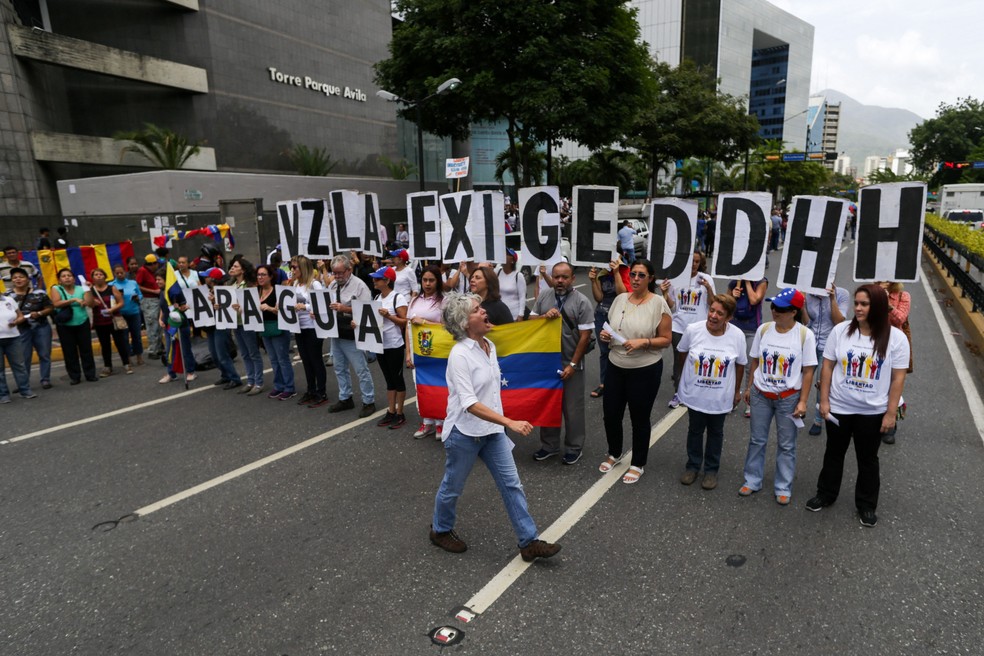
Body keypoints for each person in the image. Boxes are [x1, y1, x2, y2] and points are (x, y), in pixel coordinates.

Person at [429, 293, 562, 562]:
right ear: (466, 322)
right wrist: (509, 422)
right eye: (477, 310)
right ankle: (440, 530)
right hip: (464, 434)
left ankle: (528, 541)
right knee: (452, 486)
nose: (484, 311)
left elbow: (492, 392)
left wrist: (501, 424)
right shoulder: (459, 355)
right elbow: (469, 403)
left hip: (492, 433)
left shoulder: (489, 344)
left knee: (512, 484)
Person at [807, 284, 909, 528]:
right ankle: (826, 494)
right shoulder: (841, 331)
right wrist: (824, 401)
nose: (858, 308)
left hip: (872, 412)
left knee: (867, 459)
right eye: (857, 303)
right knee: (833, 453)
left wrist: (890, 413)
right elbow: (828, 366)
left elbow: (898, 378)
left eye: (865, 304)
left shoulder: (896, 338)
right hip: (840, 408)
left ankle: (866, 505)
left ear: (878, 307)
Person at [598, 259, 673, 485]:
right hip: (615, 364)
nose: (636, 279)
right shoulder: (621, 299)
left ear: (651, 278)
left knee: (639, 417)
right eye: (633, 275)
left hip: (645, 369)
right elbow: (611, 327)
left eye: (641, 275)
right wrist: (606, 336)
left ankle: (638, 463)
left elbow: (666, 340)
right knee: (611, 413)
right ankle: (615, 452)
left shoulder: (659, 303)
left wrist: (644, 342)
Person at [739, 288, 817, 505]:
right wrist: (749, 387)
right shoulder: (764, 329)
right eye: (773, 306)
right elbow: (754, 360)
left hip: (789, 398)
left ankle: (783, 486)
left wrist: (803, 400)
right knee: (757, 439)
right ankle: (752, 479)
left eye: (781, 309)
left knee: (786, 444)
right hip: (761, 395)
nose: (774, 311)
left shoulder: (804, 335)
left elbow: (809, 370)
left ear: (794, 311)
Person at [676, 294, 747, 490]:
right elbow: (683, 353)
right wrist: (686, 379)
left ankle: (711, 470)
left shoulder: (737, 336)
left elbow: (740, 364)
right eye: (712, 310)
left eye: (720, 313)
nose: (713, 316)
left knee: (716, 432)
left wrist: (736, 391)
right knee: (695, 430)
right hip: (696, 394)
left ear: (729, 318)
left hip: (720, 397)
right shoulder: (693, 330)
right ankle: (692, 466)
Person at [530, 262, 594, 465]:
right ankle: (549, 445)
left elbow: (585, 336)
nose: (559, 281)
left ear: (572, 279)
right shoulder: (544, 296)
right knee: (549, 405)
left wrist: (573, 365)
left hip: (571, 363)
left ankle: (574, 447)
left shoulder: (582, 302)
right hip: (547, 363)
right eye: (556, 276)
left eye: (564, 277)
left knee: (572, 408)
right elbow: (530, 323)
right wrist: (543, 317)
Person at [664, 251, 716, 409]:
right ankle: (678, 393)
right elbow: (672, 305)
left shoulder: (706, 279)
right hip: (678, 327)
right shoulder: (675, 278)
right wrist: (664, 293)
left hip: (699, 328)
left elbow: (713, 303)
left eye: (696, 261)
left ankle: (696, 392)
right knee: (679, 360)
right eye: (691, 261)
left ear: (700, 263)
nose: (693, 264)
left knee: (697, 361)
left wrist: (708, 288)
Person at [327, 254, 376, 416]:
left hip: (353, 333)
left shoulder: (360, 286)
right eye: (334, 273)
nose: (337, 276)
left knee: (361, 369)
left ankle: (369, 401)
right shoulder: (333, 285)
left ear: (349, 269)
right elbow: (328, 306)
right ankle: (345, 397)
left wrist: (345, 309)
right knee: (339, 368)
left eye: (340, 272)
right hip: (336, 332)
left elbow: (368, 310)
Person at [406, 265, 446, 439]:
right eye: (424, 280)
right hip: (419, 352)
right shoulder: (414, 301)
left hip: (437, 352)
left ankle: (441, 423)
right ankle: (427, 422)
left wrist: (423, 322)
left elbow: (448, 327)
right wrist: (408, 353)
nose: (427, 284)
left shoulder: (443, 302)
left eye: (431, 280)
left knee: (438, 387)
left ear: (438, 281)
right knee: (421, 387)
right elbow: (408, 329)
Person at [805, 283, 849, 436]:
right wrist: (801, 300)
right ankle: (799, 407)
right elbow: (806, 321)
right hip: (810, 344)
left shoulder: (842, 294)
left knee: (821, 383)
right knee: (800, 378)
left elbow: (839, 322)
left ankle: (818, 419)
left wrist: (832, 298)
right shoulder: (808, 295)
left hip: (828, 346)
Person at [370, 266, 409, 428]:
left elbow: (405, 322)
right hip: (381, 344)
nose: (374, 281)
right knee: (388, 379)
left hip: (394, 345)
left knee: (397, 379)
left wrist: (389, 316)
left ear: (387, 281)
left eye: (378, 279)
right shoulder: (377, 297)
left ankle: (400, 413)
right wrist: (357, 324)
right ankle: (391, 411)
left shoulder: (397, 298)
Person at [6, 267, 53, 389]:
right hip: (20, 330)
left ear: (28, 279)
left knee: (44, 354)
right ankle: (23, 383)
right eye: (15, 277)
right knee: (23, 357)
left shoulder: (39, 293)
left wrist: (39, 314)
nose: (18, 279)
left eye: (21, 277)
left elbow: (50, 308)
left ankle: (45, 379)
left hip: (41, 327)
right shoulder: (7, 296)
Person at [291, 255, 329, 406]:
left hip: (313, 328)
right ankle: (311, 390)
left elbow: (322, 305)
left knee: (315, 360)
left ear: (303, 268)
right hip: (299, 327)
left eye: (294, 267)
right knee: (306, 361)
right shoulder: (294, 284)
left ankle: (321, 391)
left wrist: (305, 307)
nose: (292, 270)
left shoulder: (314, 285)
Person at [49, 268, 97, 384]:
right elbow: (56, 303)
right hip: (65, 325)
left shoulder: (81, 288)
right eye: (64, 276)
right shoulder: (56, 288)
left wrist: (88, 290)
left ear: (74, 278)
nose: (67, 278)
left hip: (82, 322)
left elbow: (91, 304)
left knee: (86, 349)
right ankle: (75, 376)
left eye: (69, 275)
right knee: (69, 351)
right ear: (59, 280)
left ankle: (90, 374)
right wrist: (74, 299)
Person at [728, 276, 768, 417]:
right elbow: (726, 304)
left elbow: (754, 299)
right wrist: (733, 295)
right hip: (734, 326)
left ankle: (749, 400)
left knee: (750, 365)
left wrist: (746, 281)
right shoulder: (734, 282)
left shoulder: (761, 281)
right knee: (732, 363)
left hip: (752, 328)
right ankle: (732, 398)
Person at [587, 257, 627, 399]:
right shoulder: (601, 274)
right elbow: (599, 298)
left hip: (619, 317)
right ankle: (604, 383)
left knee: (620, 349)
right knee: (604, 351)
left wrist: (616, 273)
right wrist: (593, 281)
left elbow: (623, 295)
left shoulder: (626, 272)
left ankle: (622, 383)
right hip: (602, 316)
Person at [255, 264, 294, 400]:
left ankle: (289, 387)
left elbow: (285, 312)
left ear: (271, 276)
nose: (260, 277)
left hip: (279, 327)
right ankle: (278, 386)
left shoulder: (278, 292)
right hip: (265, 329)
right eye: (258, 274)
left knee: (282, 359)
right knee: (273, 359)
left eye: (263, 274)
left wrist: (270, 308)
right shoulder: (256, 292)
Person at [200, 267, 242, 390]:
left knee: (222, 353)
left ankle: (234, 378)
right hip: (210, 325)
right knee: (214, 354)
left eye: (206, 276)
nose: (204, 278)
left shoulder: (224, 292)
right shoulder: (207, 291)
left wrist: (215, 302)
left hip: (222, 325)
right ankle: (225, 375)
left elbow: (227, 308)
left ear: (212, 280)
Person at [228, 256, 265, 396]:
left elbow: (255, 304)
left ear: (243, 270)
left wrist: (242, 307)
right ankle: (250, 381)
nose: (232, 268)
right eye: (232, 266)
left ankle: (259, 382)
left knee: (253, 353)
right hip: (236, 323)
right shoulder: (231, 286)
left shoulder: (250, 285)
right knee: (244, 353)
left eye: (236, 266)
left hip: (247, 323)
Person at [87, 267, 131, 377]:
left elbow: (121, 302)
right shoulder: (91, 291)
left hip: (113, 320)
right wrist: (92, 301)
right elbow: (89, 304)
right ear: (92, 278)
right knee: (105, 344)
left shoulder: (112, 288)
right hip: (99, 321)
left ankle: (126, 363)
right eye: (96, 275)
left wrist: (112, 310)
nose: (98, 276)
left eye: (100, 274)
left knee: (120, 343)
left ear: (105, 276)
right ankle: (107, 366)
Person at [0, 287, 36, 403]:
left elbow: (20, 316)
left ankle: (25, 390)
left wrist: (16, 322)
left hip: (13, 338)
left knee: (19, 365)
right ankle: (3, 394)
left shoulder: (8, 300)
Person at [109, 263, 144, 365]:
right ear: (114, 274)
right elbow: (110, 299)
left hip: (134, 312)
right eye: (117, 273)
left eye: (121, 272)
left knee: (136, 336)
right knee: (124, 337)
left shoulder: (133, 283)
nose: (120, 274)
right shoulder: (112, 285)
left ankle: (139, 356)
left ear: (125, 272)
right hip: (120, 314)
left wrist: (138, 297)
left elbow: (140, 294)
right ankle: (128, 358)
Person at [136, 254, 163, 361]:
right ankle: (152, 350)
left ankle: (159, 347)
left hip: (156, 299)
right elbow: (137, 286)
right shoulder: (142, 271)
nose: (157, 265)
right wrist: (153, 291)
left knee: (159, 325)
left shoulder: (153, 272)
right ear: (152, 264)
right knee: (152, 326)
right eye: (156, 263)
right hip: (149, 300)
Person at [496, 249, 527, 321]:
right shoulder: (497, 272)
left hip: (514, 315)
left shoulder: (518, 276)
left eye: (507, 254)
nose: (503, 255)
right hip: (500, 314)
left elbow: (522, 297)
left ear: (512, 260)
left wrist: (521, 315)